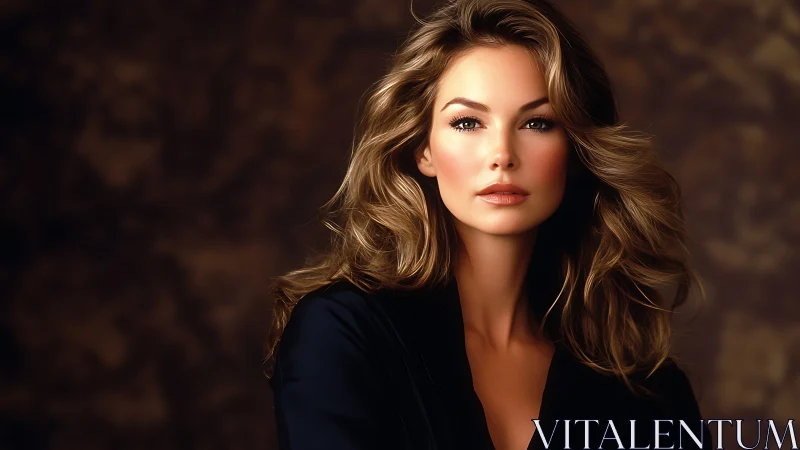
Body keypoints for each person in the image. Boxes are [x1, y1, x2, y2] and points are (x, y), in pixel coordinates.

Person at [265, 0, 713, 449]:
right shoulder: (342, 333)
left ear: (576, 150)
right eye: (467, 122)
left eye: (538, 122)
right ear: (423, 150)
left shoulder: (648, 393)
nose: (502, 154)